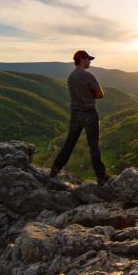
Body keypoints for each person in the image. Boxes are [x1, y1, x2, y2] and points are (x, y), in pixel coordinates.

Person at [50, 50, 110, 185]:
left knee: (70, 142)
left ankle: (55, 169)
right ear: (82, 59)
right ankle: (101, 176)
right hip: (89, 112)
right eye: (89, 59)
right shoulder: (88, 76)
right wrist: (90, 95)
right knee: (93, 144)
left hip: (75, 113)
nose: (90, 62)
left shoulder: (71, 77)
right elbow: (100, 95)